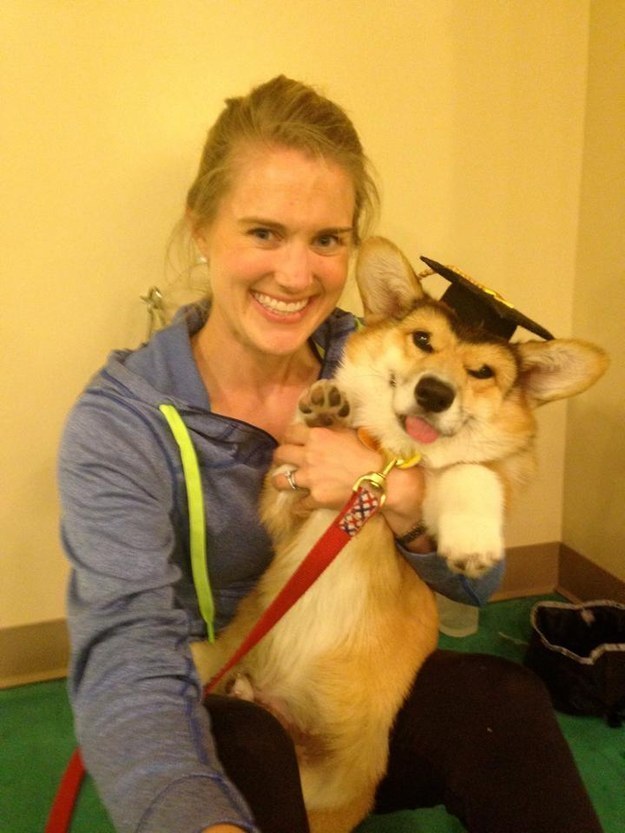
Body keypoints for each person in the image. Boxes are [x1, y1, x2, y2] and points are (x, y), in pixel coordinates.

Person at [59, 75, 602, 833]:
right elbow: (124, 656)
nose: (295, 273)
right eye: (262, 231)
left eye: (326, 239)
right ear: (201, 229)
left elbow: (477, 586)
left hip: (353, 694)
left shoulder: (376, 356)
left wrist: (404, 503)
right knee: (247, 744)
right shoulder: (121, 420)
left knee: (504, 699)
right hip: (232, 687)